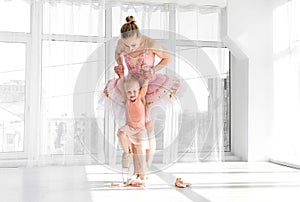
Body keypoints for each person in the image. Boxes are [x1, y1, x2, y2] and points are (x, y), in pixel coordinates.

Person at [103, 15, 182, 176]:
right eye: (127, 45)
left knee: (147, 128)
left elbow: (167, 58)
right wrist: (120, 69)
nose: (130, 49)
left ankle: (145, 168)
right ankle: (136, 168)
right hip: (131, 86)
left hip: (149, 84)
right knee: (132, 126)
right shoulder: (121, 45)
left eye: (134, 45)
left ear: (140, 38)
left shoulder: (151, 44)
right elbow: (118, 55)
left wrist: (153, 70)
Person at [117, 71, 149, 186]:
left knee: (140, 149)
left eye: (134, 91)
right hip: (130, 127)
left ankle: (143, 173)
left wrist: (146, 79)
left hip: (140, 128)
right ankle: (127, 151)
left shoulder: (140, 97)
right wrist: (121, 77)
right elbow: (122, 86)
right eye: (129, 92)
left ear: (138, 90)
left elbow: (144, 87)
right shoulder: (127, 100)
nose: (132, 94)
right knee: (120, 132)